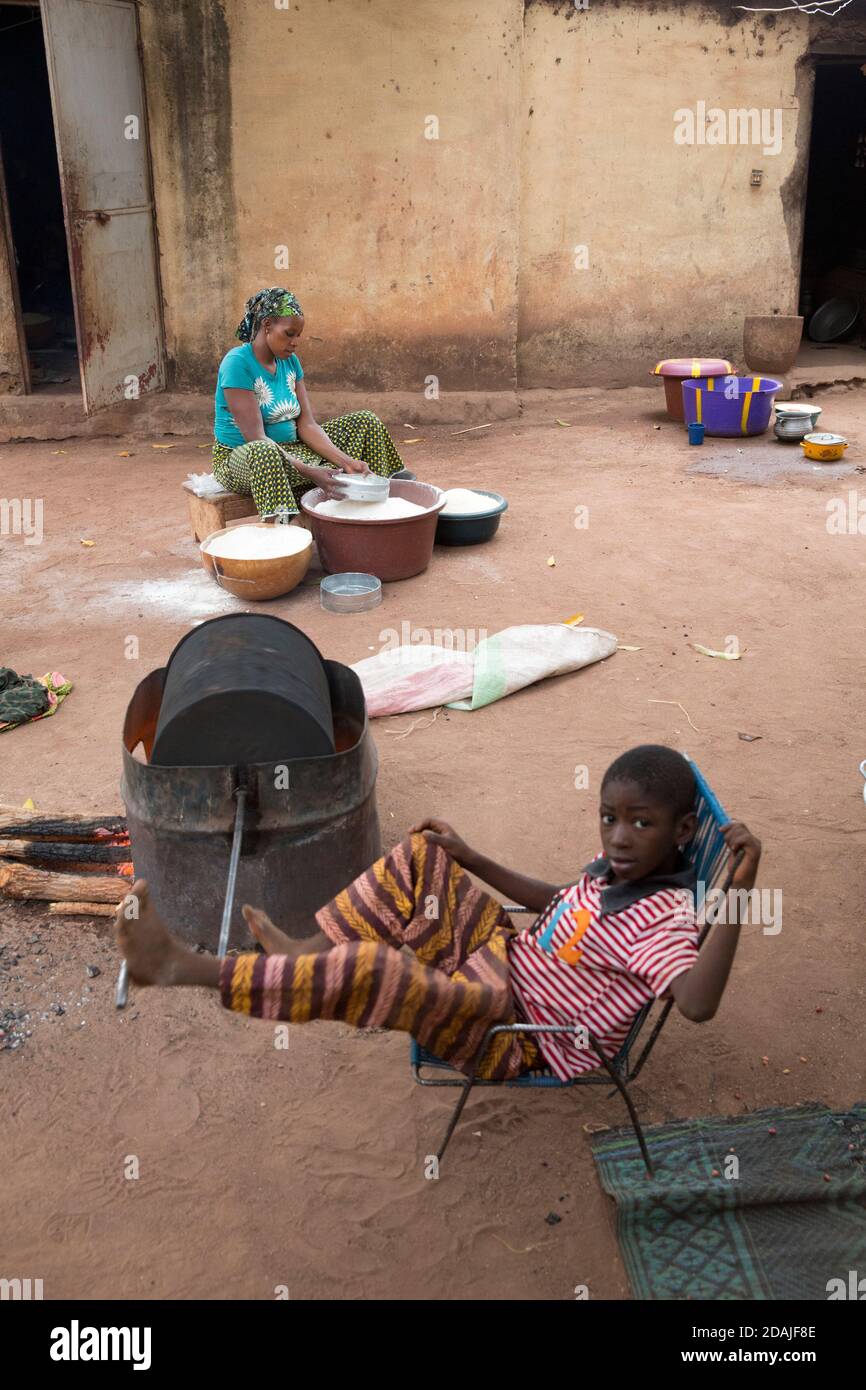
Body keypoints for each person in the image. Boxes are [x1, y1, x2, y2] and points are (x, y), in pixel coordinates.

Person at [113, 746, 761, 1082]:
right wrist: (468, 856)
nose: (618, 837)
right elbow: (559, 901)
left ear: (681, 831)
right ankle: (304, 952)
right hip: (504, 962)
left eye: (640, 824)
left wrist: (739, 891)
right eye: (610, 818)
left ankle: (186, 968)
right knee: (421, 855)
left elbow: (698, 1004)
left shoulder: (663, 922)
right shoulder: (619, 870)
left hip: (516, 1031)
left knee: (378, 971)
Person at [212, 287, 405, 520]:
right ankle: (282, 530)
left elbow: (308, 426)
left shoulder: (290, 361)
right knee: (264, 451)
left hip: (294, 448)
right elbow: (256, 438)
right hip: (245, 458)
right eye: (290, 333)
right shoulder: (237, 363)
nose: (295, 342)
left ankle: (376, 503)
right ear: (267, 326)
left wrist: (347, 462)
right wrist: (309, 471)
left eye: (298, 335)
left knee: (364, 421)